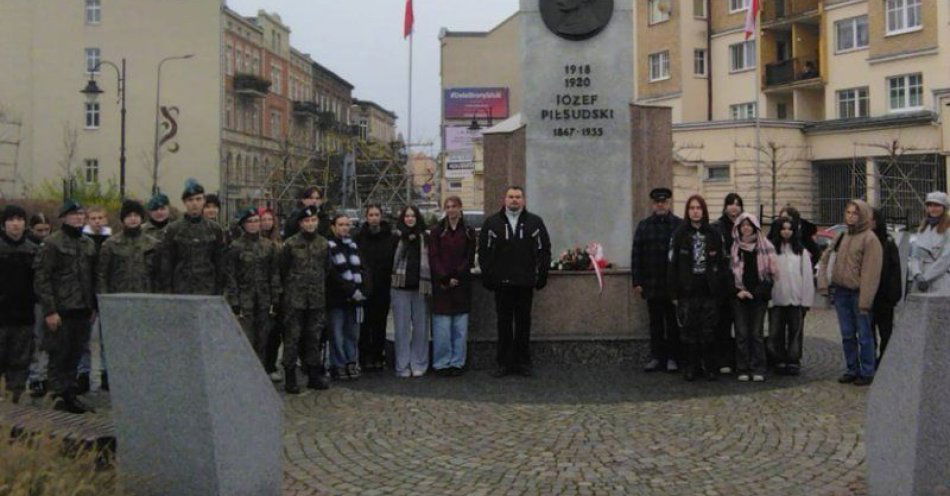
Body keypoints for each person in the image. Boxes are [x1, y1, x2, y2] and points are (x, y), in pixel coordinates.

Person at [478, 186, 552, 378]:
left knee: (523, 323)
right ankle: (503, 363)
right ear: (505, 199)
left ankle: (523, 362)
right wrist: (488, 277)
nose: (514, 200)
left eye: (518, 197)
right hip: (501, 284)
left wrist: (541, 275)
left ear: (523, 200)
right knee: (503, 324)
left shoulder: (535, 222)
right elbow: (484, 253)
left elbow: (544, 250)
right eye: (511, 197)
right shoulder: (492, 223)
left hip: (525, 283)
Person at [33, 200, 97, 413]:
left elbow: (92, 277)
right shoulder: (52, 243)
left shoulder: (88, 243)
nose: (78, 218)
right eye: (73, 214)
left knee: (75, 354)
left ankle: (70, 395)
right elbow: (42, 278)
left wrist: (92, 306)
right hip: (61, 309)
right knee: (58, 355)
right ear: (64, 217)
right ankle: (56, 397)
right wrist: (50, 310)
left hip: (82, 309)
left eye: (81, 214)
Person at [95, 200, 160, 390]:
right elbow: (102, 275)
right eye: (129, 216)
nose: (133, 219)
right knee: (118, 343)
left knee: (143, 342)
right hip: (118, 302)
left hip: (145, 300)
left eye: (136, 216)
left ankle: (143, 377)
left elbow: (159, 275)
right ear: (123, 219)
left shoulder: (153, 244)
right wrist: (104, 300)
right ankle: (115, 377)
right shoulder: (111, 244)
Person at [818, 199, 882, 387]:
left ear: (862, 215)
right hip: (841, 292)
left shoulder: (870, 239)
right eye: (848, 212)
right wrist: (824, 284)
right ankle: (851, 368)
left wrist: (865, 300)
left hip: (858, 293)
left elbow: (871, 273)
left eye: (855, 213)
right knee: (847, 334)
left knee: (864, 335)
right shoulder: (842, 235)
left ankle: (867, 371)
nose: (851, 216)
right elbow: (826, 258)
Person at [668, 194, 730, 382]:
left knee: (708, 330)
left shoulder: (713, 234)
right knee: (689, 331)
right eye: (692, 208)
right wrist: (673, 292)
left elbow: (722, 263)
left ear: (704, 211)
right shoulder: (679, 234)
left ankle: (709, 366)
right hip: (687, 290)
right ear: (687, 211)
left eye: (699, 208)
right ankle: (691, 367)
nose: (695, 212)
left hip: (708, 290)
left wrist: (720, 289)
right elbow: (672, 264)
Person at [631, 187, 683, 373]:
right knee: (655, 323)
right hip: (651, 283)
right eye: (657, 202)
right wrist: (637, 281)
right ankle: (656, 357)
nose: (660, 205)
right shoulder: (644, 226)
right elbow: (636, 255)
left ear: (669, 203)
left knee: (672, 324)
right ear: (652, 204)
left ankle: (672, 357)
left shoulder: (679, 225)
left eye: (664, 202)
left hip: (672, 284)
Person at [279, 206, 330, 393]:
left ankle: (313, 375)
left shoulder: (324, 243)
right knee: (292, 337)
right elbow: (283, 269)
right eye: (307, 221)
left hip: (316, 299)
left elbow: (327, 268)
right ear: (300, 223)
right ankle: (290, 376)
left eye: (313, 220)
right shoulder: (290, 244)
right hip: (295, 300)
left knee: (314, 337)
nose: (310, 224)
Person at [225, 207, 281, 367]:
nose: (254, 224)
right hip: (244, 300)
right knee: (245, 338)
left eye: (256, 221)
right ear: (243, 225)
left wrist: (275, 298)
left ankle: (261, 374)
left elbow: (274, 274)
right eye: (250, 222)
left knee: (263, 339)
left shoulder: (269, 246)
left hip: (264, 299)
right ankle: (244, 371)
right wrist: (234, 301)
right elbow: (231, 276)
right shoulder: (236, 246)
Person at [429, 196, 476, 376]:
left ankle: (458, 362)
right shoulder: (437, 231)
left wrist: (457, 275)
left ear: (460, 208)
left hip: (462, 284)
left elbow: (469, 257)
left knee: (460, 328)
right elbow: (434, 257)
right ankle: (442, 363)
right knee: (442, 328)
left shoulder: (469, 231)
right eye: (448, 207)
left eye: (454, 206)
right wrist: (445, 277)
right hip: (442, 286)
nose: (451, 210)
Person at [729, 213, 778, 382]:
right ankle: (742, 367)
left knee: (756, 333)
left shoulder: (766, 246)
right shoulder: (734, 248)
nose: (746, 228)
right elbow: (729, 274)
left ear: (755, 227)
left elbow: (771, 276)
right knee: (741, 333)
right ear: (738, 228)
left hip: (759, 297)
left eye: (749, 225)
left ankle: (758, 367)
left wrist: (755, 293)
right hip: (739, 296)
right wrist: (738, 291)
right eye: (743, 225)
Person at [0, 205, 39, 403]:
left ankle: (14, 409)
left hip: (24, 318)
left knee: (20, 365)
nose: (15, 223)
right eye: (11, 219)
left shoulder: (33, 250)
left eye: (19, 219)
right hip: (1, 319)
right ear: (4, 223)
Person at [160, 179, 226, 295]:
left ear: (203, 201)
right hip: (181, 289)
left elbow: (219, 262)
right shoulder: (173, 229)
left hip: (207, 289)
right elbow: (167, 264)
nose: (194, 203)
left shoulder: (214, 229)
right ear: (184, 202)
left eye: (198, 199)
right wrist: (168, 291)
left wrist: (219, 291)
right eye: (190, 200)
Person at [767, 216, 814, 376]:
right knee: (776, 333)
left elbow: (807, 277)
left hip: (796, 300)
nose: (786, 232)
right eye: (783, 228)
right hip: (777, 299)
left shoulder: (801, 252)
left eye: (789, 229)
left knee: (795, 333)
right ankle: (778, 359)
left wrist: (806, 300)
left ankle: (793, 360)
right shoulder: (772, 251)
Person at [390, 206, 431, 378]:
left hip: (421, 286)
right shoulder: (396, 237)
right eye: (406, 216)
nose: (409, 219)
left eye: (413, 215)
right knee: (401, 329)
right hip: (400, 286)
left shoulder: (425, 237)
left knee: (421, 328)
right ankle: (402, 365)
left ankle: (419, 363)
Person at [354, 204, 395, 371]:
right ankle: (364, 357)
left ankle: (378, 355)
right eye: (370, 215)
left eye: (376, 214)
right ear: (366, 217)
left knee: (380, 322)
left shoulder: (390, 237)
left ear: (381, 216)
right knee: (364, 323)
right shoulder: (358, 237)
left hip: (383, 286)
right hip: (364, 286)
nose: (373, 218)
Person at [326, 214, 366, 380]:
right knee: (336, 333)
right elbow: (332, 273)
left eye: (347, 224)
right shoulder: (328, 246)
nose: (344, 227)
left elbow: (363, 269)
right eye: (341, 224)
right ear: (333, 227)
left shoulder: (354, 246)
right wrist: (350, 290)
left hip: (355, 300)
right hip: (337, 298)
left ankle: (351, 361)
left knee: (352, 333)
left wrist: (363, 290)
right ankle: (338, 364)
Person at [78, 205, 111, 394]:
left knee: (106, 338)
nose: (97, 221)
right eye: (93, 218)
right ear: (88, 220)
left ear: (105, 219)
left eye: (100, 217)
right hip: (87, 295)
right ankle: (83, 373)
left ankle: (107, 373)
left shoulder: (111, 240)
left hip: (105, 293)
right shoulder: (83, 241)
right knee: (85, 339)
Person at [712, 192, 744, 374]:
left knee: (740, 326)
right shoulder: (717, 227)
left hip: (741, 282)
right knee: (722, 324)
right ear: (725, 207)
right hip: (723, 283)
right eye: (731, 203)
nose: (734, 207)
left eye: (738, 204)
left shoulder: (745, 226)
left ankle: (739, 360)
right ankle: (722, 360)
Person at [869, 208, 902, 365]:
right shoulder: (863, 240)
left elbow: (895, 271)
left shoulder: (888, 243)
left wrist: (894, 295)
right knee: (867, 333)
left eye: (871, 219)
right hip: (867, 295)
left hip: (884, 296)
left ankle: (885, 361)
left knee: (886, 332)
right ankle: (869, 361)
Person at [26, 213, 52, 398]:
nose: (43, 233)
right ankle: (36, 376)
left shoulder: (53, 246)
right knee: (37, 339)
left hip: (53, 299)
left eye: (46, 230)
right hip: (35, 300)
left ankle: (46, 374)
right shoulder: (29, 248)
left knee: (51, 341)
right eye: (39, 230)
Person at [258, 207, 285, 382]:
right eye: (264, 219)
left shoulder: (279, 242)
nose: (267, 223)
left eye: (270, 219)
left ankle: (271, 365)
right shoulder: (255, 242)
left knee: (275, 332)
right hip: (259, 292)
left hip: (277, 291)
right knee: (260, 332)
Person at [908, 191, 950, 294]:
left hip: (939, 280)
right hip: (919, 280)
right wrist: (917, 274)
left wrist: (926, 278)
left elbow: (945, 259)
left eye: (937, 205)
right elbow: (914, 255)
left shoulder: (948, 229)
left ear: (944, 208)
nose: (933, 208)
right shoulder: (923, 228)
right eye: (930, 205)